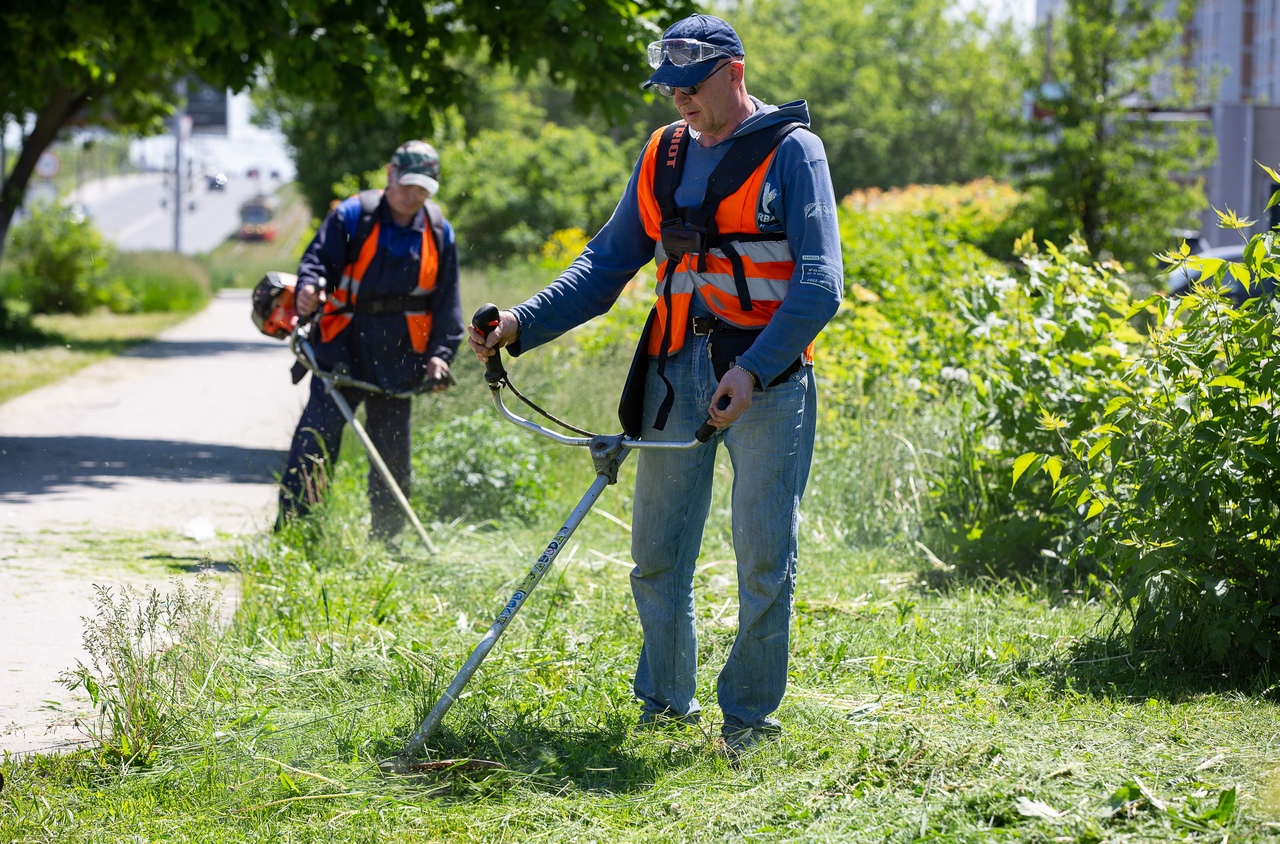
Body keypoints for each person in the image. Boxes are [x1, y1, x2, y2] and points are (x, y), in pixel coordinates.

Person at [467, 14, 842, 756]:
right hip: (676, 373)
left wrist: (753, 367)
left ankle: (748, 721)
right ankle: (666, 707)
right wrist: (520, 321)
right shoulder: (664, 154)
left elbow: (820, 286)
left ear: (734, 72)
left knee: (765, 557)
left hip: (766, 382)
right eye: (668, 88)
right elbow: (606, 264)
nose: (679, 101)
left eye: (691, 86)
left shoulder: (795, 153)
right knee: (657, 554)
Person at [279, 141, 464, 541]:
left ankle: (388, 541)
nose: (415, 196)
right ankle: (295, 532)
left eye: (424, 189)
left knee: (392, 453)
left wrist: (440, 355)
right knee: (316, 439)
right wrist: (309, 288)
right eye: (409, 186)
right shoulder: (352, 215)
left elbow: (447, 301)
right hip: (340, 346)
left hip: (401, 355)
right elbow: (314, 263)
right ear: (390, 174)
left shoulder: (437, 230)